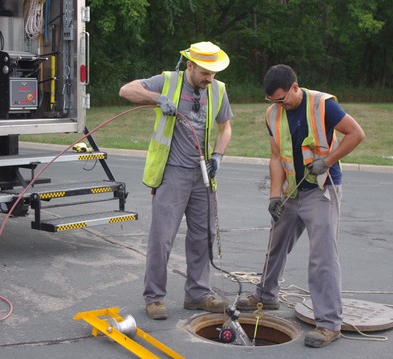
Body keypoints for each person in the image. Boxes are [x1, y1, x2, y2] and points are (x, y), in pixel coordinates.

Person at [236, 64, 365, 348]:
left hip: (321, 189)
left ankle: (329, 324)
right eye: (273, 101)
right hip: (290, 192)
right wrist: (274, 196)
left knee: (322, 256)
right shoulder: (273, 113)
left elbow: (356, 134)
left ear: (295, 87)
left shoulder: (323, 105)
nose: (279, 105)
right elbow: (275, 156)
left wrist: (328, 161)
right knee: (276, 244)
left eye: (283, 100)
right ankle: (266, 295)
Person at [118, 41, 233, 320]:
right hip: (172, 173)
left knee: (203, 236)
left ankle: (198, 294)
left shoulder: (217, 89)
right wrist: (157, 99)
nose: (209, 78)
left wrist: (218, 155)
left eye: (213, 73)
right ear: (190, 66)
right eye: (205, 72)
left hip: (202, 175)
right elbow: (126, 90)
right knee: (162, 237)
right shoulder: (167, 81)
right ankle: (155, 298)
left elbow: (225, 127)